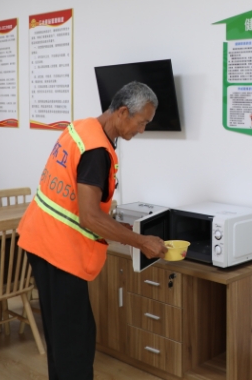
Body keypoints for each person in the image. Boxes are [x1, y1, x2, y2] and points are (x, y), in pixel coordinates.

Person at [18, 81, 169, 380]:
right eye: (142, 123)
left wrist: (120, 228)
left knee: (61, 339)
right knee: (75, 344)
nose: (142, 130)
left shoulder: (83, 128)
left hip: (40, 240)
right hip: (59, 252)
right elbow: (88, 217)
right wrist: (140, 242)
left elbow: (77, 203)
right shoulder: (97, 151)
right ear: (122, 112)